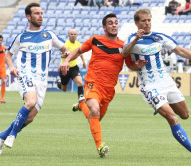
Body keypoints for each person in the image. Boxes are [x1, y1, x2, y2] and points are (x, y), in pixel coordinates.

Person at [122, 8, 191, 159]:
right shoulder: (132, 38)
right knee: (172, 117)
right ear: (136, 23)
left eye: (149, 20)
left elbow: (180, 51)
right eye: (143, 21)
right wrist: (136, 39)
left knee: (184, 115)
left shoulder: (159, 37)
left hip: (167, 82)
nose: (147, 23)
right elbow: (124, 52)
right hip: (150, 86)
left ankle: (164, 109)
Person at [60, 13, 144, 158]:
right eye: (110, 23)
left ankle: (81, 105)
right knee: (94, 109)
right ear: (104, 27)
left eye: (116, 23)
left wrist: (137, 65)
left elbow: (130, 65)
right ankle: (100, 146)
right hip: (93, 83)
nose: (114, 25)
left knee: (95, 117)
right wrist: (67, 60)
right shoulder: (95, 40)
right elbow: (78, 51)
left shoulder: (124, 46)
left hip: (109, 89)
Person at [0, 3, 70, 155]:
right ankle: (12, 135)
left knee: (30, 118)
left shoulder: (49, 35)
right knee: (31, 101)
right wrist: (12, 67)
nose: (40, 16)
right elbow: (8, 55)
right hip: (25, 73)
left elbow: (66, 49)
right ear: (29, 17)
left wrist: (66, 54)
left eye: (41, 13)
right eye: (36, 13)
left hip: (42, 79)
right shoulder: (22, 37)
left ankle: (2, 136)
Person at [57, 29, 86, 102]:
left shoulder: (78, 44)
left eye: (74, 34)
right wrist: (66, 55)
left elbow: (80, 52)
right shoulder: (66, 44)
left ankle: (81, 97)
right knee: (64, 89)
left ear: (76, 35)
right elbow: (61, 56)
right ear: (68, 35)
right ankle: (60, 83)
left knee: (80, 82)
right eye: (71, 34)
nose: (73, 36)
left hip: (74, 67)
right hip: (65, 68)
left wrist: (83, 61)